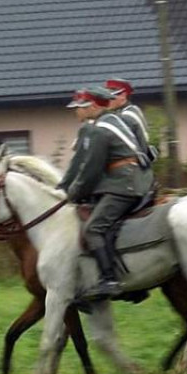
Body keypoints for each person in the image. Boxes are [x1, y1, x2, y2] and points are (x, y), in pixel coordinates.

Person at [61, 86, 154, 301]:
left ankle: (109, 280)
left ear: (93, 106)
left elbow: (91, 169)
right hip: (132, 180)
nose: (76, 111)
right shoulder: (112, 121)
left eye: (80, 107)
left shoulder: (99, 130)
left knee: (93, 229)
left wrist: (72, 193)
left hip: (124, 184)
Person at [105, 77, 159, 164]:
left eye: (110, 97)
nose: (107, 100)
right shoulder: (133, 110)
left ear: (123, 96)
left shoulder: (124, 118)